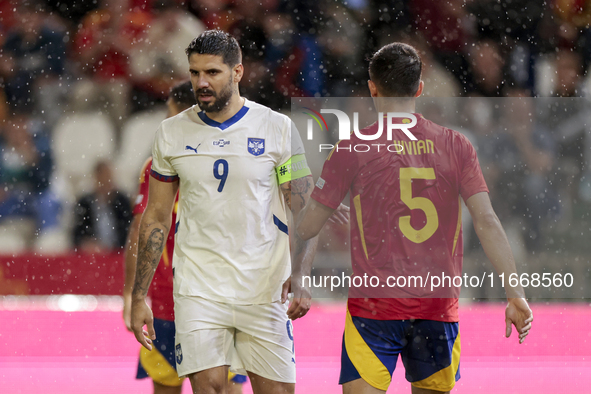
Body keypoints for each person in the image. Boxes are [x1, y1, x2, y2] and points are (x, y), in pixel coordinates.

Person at [296, 42, 534, 394]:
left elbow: (308, 227)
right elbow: (487, 221)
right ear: (419, 89)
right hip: (437, 306)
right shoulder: (456, 144)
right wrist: (514, 292)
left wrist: (315, 206)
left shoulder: (352, 147)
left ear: (372, 88)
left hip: (374, 306)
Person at [130, 30, 319, 394]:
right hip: (199, 290)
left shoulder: (277, 128)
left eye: (212, 72)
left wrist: (303, 273)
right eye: (195, 72)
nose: (201, 82)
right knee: (210, 387)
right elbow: (155, 217)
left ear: (238, 73)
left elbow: (303, 206)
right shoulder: (171, 133)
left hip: (264, 288)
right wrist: (139, 297)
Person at [123, 80, 246, 394]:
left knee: (170, 384)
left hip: (173, 303)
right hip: (220, 301)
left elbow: (140, 232)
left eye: (169, 111)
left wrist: (131, 295)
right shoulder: (235, 161)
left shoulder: (156, 165)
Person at [73, 160, 131, 253]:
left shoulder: (122, 202)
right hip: (93, 256)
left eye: (109, 177)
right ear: (96, 179)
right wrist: (88, 243)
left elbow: (128, 231)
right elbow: (78, 234)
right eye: (103, 178)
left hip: (119, 253)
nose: (107, 182)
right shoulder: (84, 203)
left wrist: (114, 248)